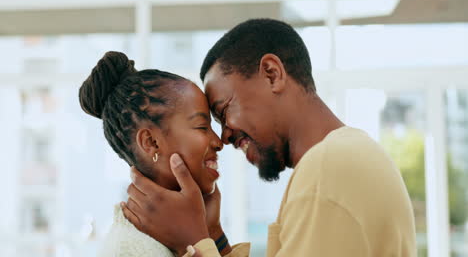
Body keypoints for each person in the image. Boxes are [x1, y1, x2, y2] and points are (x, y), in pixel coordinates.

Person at [123, 19, 417, 257]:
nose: (224, 136)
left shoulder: (328, 168)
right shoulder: (347, 153)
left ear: (272, 73)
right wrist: (214, 237)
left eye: (224, 111)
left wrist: (193, 241)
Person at [78, 51, 229, 257]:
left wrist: (212, 233)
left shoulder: (174, 238)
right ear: (151, 142)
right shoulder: (130, 251)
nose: (219, 142)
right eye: (202, 126)